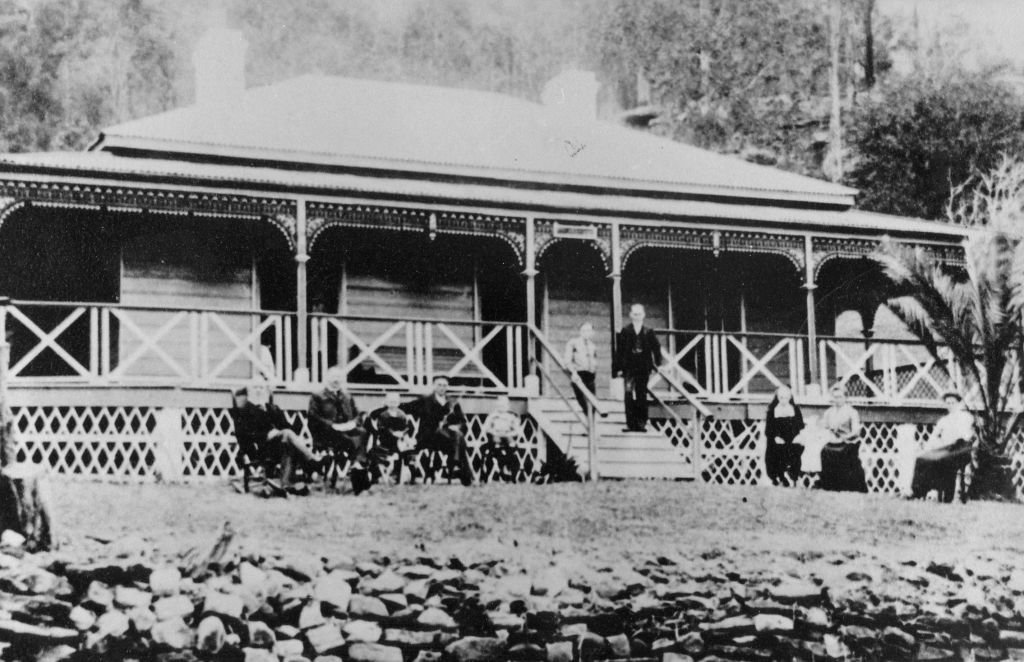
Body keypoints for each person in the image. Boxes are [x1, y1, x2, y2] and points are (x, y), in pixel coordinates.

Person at [230, 383, 320, 491]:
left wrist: (283, 433)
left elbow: (289, 428)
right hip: (258, 449)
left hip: (278, 446)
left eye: (261, 387)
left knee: (288, 438)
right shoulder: (244, 411)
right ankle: (312, 463)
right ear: (249, 392)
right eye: (255, 387)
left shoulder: (272, 408)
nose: (258, 390)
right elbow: (243, 435)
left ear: (266, 391)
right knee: (287, 435)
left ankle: (285, 484)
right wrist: (267, 435)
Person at [308, 366, 372, 494]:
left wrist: (353, 423)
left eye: (339, 377)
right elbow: (313, 417)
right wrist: (332, 425)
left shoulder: (347, 396)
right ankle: (359, 472)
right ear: (327, 379)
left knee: (363, 432)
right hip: (327, 435)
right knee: (353, 440)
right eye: (333, 377)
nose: (336, 380)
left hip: (347, 431)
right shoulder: (318, 396)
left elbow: (357, 415)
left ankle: (357, 464)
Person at [401, 376, 471, 485]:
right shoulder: (425, 401)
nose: (442, 388)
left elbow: (462, 422)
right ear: (434, 386)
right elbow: (404, 408)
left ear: (447, 387)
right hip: (429, 438)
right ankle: (459, 468)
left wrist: (457, 427)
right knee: (458, 437)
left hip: (447, 441)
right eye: (439, 385)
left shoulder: (453, 402)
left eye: (444, 385)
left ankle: (457, 466)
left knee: (457, 434)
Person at [909, 392, 974, 502]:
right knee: (921, 459)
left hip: (961, 450)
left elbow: (966, 436)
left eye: (953, 403)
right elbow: (933, 438)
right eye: (948, 403)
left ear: (959, 404)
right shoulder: (944, 420)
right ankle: (918, 492)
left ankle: (948, 497)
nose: (950, 405)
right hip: (945, 449)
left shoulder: (967, 418)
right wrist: (928, 448)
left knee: (947, 461)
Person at [613, 304, 664, 432]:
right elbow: (619, 352)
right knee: (628, 394)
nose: (637, 317)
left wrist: (659, 364)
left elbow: (656, 348)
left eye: (639, 314)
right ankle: (630, 424)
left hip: (643, 367)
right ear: (631, 315)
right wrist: (617, 368)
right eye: (634, 314)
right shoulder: (625, 331)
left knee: (641, 394)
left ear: (643, 315)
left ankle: (641, 424)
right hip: (629, 368)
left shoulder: (648, 331)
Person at [818, 386, 868, 493]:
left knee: (845, 453)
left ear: (845, 397)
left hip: (847, 441)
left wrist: (846, 436)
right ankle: (829, 485)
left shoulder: (851, 412)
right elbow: (823, 426)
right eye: (835, 397)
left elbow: (856, 431)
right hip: (833, 441)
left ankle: (846, 486)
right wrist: (828, 430)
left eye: (840, 397)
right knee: (825, 451)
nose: (837, 400)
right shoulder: (829, 412)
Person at [367, 392, 417, 484]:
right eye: (390, 401)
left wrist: (402, 433)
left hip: (399, 440)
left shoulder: (401, 414)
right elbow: (382, 428)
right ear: (386, 402)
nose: (393, 403)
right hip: (386, 440)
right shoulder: (383, 415)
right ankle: (375, 476)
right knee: (375, 453)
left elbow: (406, 427)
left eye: (395, 401)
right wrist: (393, 433)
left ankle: (402, 476)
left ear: (398, 402)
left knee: (406, 453)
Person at [763, 385, 805, 486]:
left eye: (786, 397)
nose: (783, 400)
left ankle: (794, 476)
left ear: (790, 397)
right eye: (781, 397)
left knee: (797, 448)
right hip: (777, 438)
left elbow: (800, 425)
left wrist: (798, 436)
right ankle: (780, 477)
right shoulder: (772, 410)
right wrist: (775, 437)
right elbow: (768, 429)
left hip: (792, 438)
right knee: (776, 450)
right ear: (777, 398)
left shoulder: (795, 409)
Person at [482, 395, 522, 481]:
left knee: (512, 445)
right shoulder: (493, 416)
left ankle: (509, 470)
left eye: (504, 405)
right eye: (500, 405)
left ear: (508, 406)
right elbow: (486, 428)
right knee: (497, 446)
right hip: (496, 436)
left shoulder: (511, 416)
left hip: (507, 436)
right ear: (497, 406)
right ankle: (502, 468)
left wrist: (510, 433)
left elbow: (518, 430)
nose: (502, 408)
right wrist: (493, 432)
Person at [564, 322, 598, 413]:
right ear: (580, 331)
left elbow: (594, 361)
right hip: (578, 375)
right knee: (584, 403)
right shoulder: (573, 343)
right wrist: (574, 373)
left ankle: (591, 424)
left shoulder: (592, 346)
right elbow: (567, 361)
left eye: (588, 331)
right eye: (583, 330)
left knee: (593, 404)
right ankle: (588, 423)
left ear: (592, 333)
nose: (586, 333)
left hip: (590, 376)